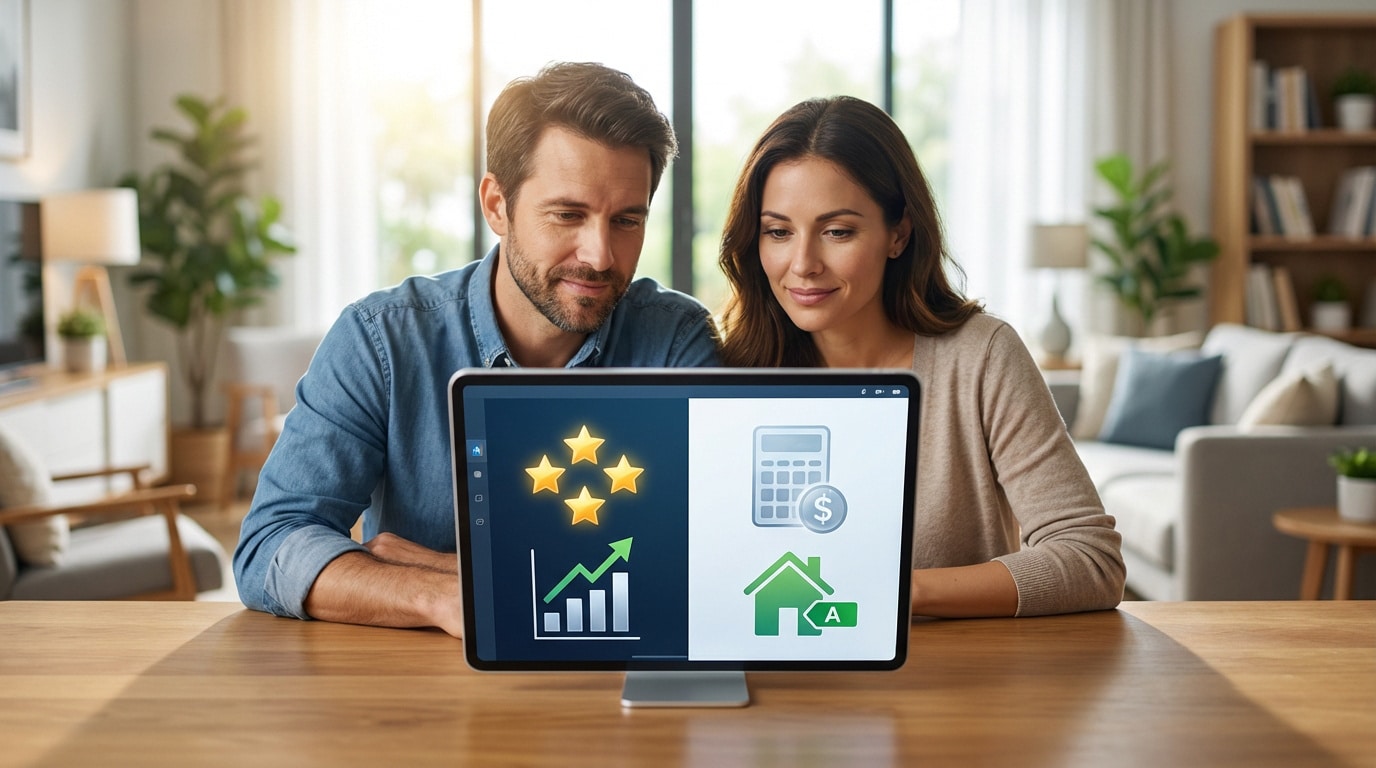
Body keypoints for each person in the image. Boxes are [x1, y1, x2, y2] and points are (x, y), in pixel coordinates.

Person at [234, 62, 719, 637]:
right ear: (496, 205)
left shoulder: (676, 342)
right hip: (419, 679)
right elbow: (271, 545)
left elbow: (707, 562)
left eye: (627, 220)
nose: (600, 255)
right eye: (567, 215)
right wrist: (438, 596)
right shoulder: (382, 339)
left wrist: (460, 571)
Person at [716, 96, 1124, 618]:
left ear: (899, 234)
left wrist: (896, 593)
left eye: (837, 231)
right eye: (778, 231)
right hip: (785, 660)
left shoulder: (981, 357)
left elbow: (1091, 561)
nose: (803, 264)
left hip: (954, 666)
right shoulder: (731, 369)